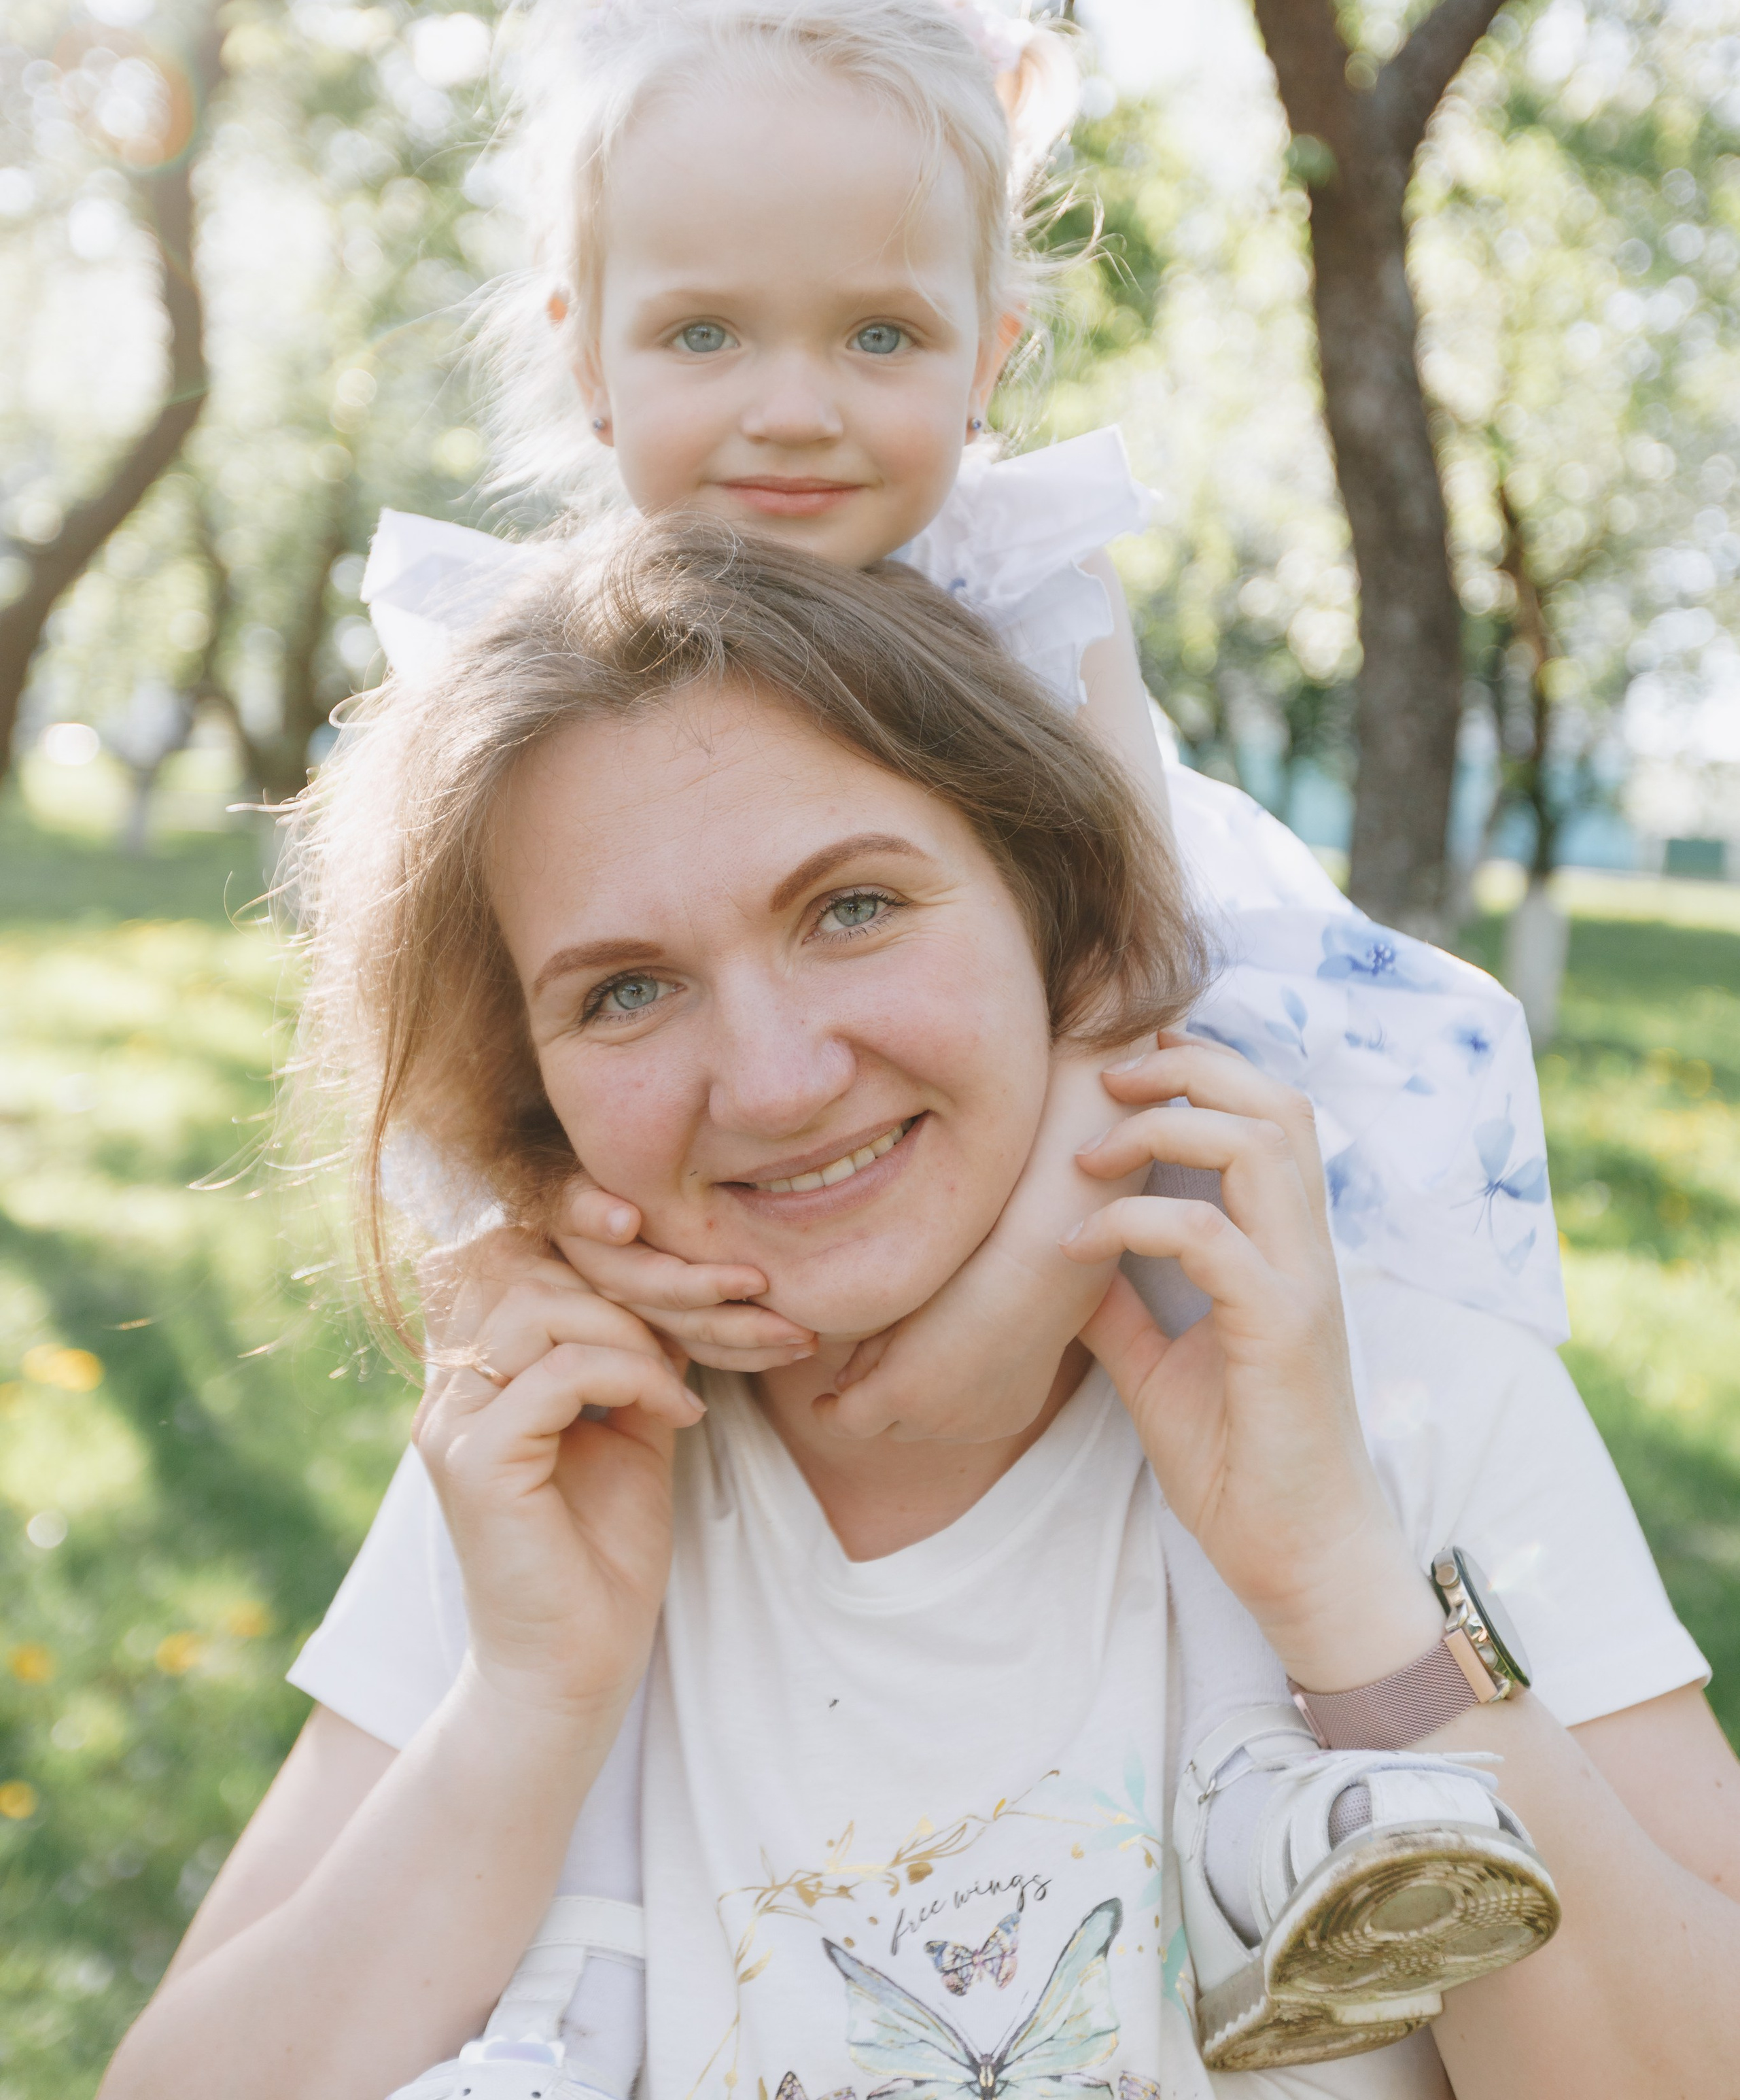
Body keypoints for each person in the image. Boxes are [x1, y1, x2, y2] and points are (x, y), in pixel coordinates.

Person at [336, 0, 1572, 2078]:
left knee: (1353, 1125)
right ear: (584, 359)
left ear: (991, 351)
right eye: (707, 331)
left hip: (1085, 1158)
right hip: (670, 1289)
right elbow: (463, 1064)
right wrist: (596, 1242)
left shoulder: (1027, 594)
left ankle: (1295, 1805)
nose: (794, 407)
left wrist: (996, 1322)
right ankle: (552, 1986)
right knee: (631, 1614)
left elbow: (1126, 972)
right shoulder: (530, 678)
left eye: (878, 333)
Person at [99, 523, 1737, 2100]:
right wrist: (530, 1705)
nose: (775, 1079)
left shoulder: (1386, 1390)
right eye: (625, 991)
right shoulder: (546, 1470)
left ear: (1055, 917)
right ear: (530, 1099)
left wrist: (1342, 1591)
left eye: (852, 908)